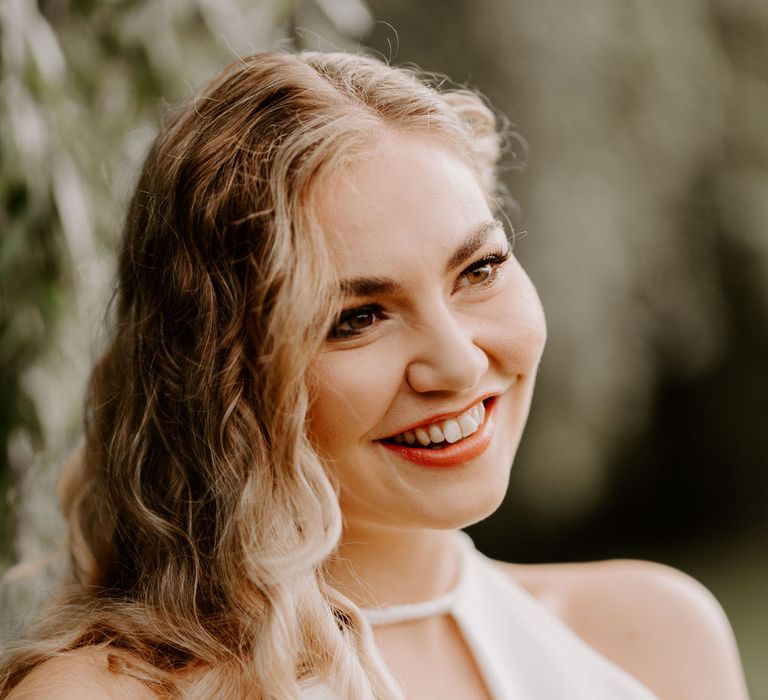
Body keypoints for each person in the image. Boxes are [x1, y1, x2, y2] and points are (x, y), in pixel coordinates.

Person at [0, 51, 749, 699]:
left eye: (479, 268)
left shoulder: (655, 639)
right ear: (220, 377)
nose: (458, 362)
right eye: (356, 318)